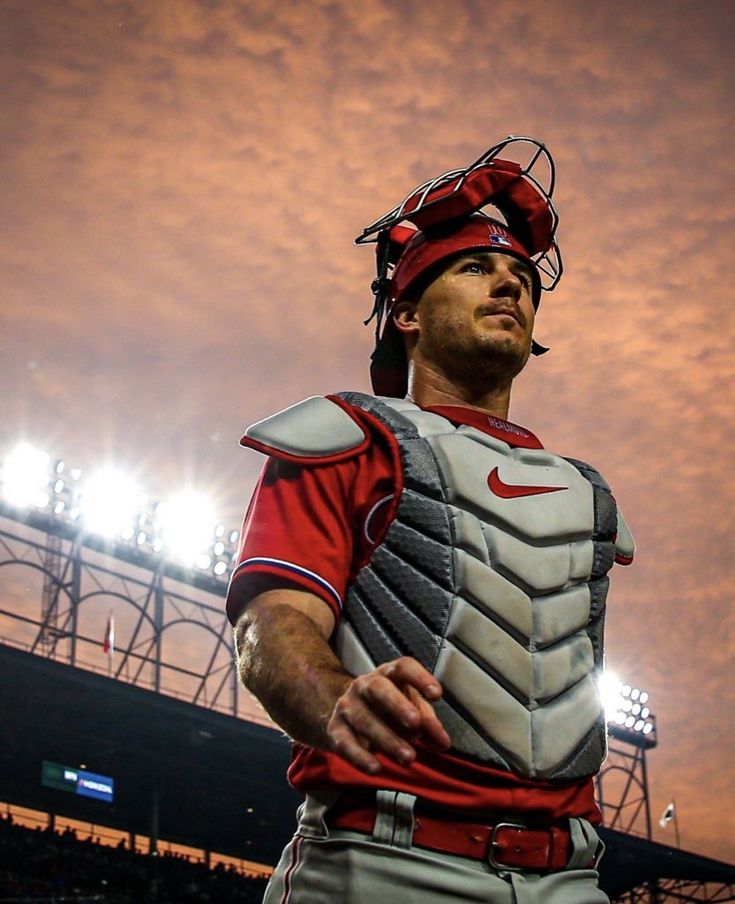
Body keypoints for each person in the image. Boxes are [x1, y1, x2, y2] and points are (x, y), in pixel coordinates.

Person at [226, 137, 635, 904]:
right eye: (476, 269)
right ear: (407, 312)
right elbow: (270, 625)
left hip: (572, 876)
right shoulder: (351, 437)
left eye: (521, 279)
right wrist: (334, 696)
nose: (508, 286)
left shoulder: (586, 494)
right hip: (384, 862)